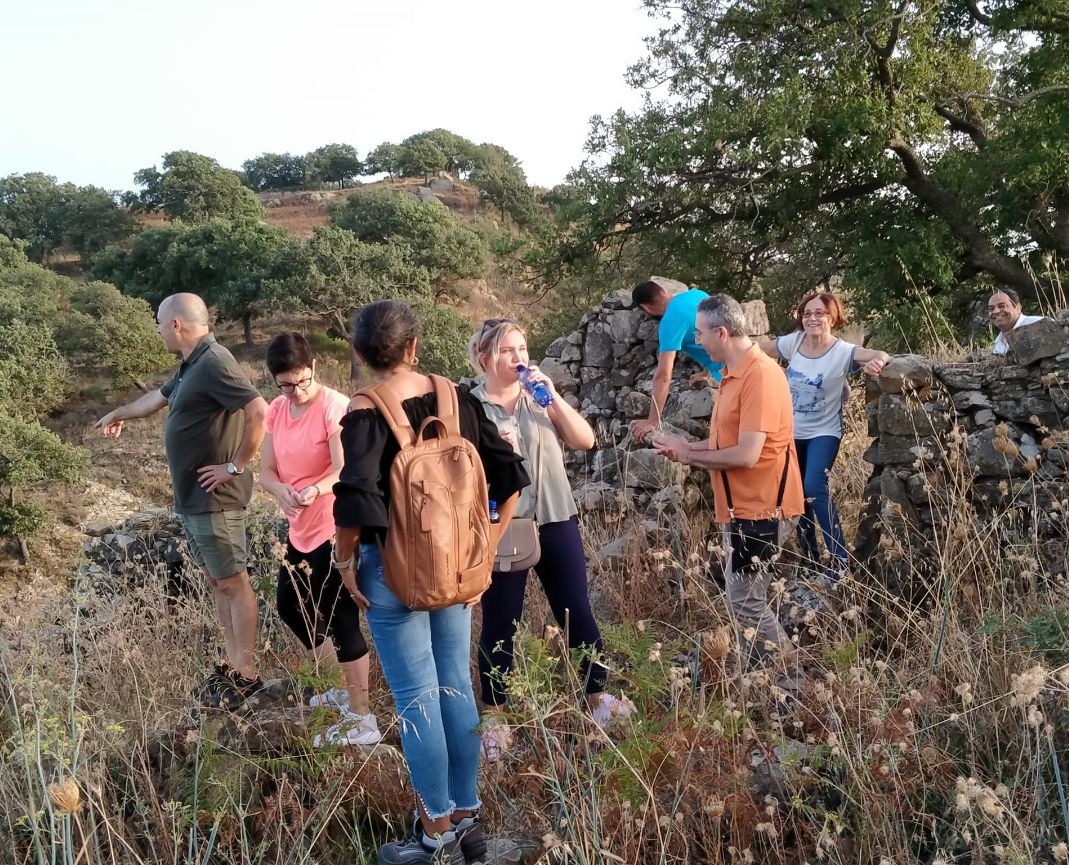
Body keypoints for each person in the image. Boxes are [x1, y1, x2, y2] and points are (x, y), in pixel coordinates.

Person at [331, 301, 529, 865]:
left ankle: (435, 831)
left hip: (392, 575)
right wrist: (485, 550)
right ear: (415, 347)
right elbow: (512, 474)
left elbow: (355, 501)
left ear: (362, 355)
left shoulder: (366, 413)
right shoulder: (457, 397)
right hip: (460, 569)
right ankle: (467, 817)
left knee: (419, 700)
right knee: (457, 689)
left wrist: (345, 564)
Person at [468, 319, 635, 761]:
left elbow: (585, 440)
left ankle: (597, 698)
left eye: (522, 347)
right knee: (501, 621)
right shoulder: (471, 407)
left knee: (576, 611)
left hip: (557, 516)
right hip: (505, 524)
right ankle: (496, 717)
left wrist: (555, 399)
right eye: (507, 350)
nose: (518, 357)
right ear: (484, 357)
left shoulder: (540, 397)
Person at [95, 293, 268, 708]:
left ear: (176, 324)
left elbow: (258, 410)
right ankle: (232, 665)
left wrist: (235, 466)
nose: (156, 330)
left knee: (233, 580)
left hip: (217, 498)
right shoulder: (191, 365)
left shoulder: (215, 361)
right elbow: (157, 398)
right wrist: (119, 412)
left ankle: (246, 674)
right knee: (217, 581)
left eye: (158, 322)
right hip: (193, 500)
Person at [652, 294, 805, 693]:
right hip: (741, 507)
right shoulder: (733, 372)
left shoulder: (761, 376)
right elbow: (726, 441)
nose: (697, 341)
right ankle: (763, 682)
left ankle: (791, 687)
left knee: (747, 599)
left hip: (763, 507)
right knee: (743, 598)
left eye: (700, 333)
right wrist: (687, 448)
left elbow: (747, 454)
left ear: (722, 332)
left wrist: (690, 455)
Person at [259, 333, 381, 748]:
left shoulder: (334, 406)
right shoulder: (277, 410)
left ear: (314, 368)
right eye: (285, 385)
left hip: (333, 524)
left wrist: (314, 489)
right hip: (298, 526)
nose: (295, 392)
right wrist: (281, 492)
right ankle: (335, 684)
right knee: (290, 606)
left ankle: (361, 715)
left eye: (301, 382)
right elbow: (267, 472)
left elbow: (344, 470)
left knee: (340, 617)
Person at [757, 291, 891, 581]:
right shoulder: (793, 342)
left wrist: (875, 363)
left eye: (819, 313)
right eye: (807, 313)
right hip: (790, 432)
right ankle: (811, 561)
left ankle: (840, 563)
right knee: (795, 495)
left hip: (824, 432)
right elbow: (759, 351)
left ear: (833, 317)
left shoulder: (843, 351)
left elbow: (880, 355)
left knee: (814, 486)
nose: (812, 318)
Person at [630, 280, 725, 442]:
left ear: (646, 308)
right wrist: (706, 371)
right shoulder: (697, 295)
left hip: (733, 376)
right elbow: (716, 330)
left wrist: (653, 420)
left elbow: (663, 376)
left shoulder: (669, 323)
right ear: (663, 291)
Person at [988, 289, 1045, 355]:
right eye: (991, 309)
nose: (996, 311)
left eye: (1002, 306)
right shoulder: (996, 345)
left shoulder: (1038, 324)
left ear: (1018, 308)